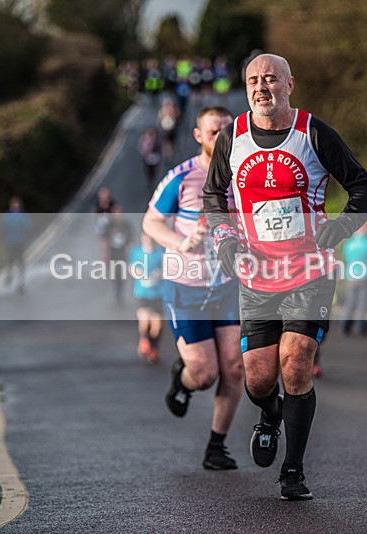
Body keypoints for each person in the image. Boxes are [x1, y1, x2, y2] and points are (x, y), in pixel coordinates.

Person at [202, 53, 367, 500]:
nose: (263, 87)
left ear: (289, 84)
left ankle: (293, 471)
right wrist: (224, 239)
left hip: (309, 272)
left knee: (296, 363)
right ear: (246, 88)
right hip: (256, 275)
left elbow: (363, 185)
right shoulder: (231, 137)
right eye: (254, 81)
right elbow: (213, 194)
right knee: (259, 379)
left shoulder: (314, 133)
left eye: (271, 79)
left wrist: (339, 227)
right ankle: (269, 416)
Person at [142, 106, 243, 471]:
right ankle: (182, 379)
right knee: (205, 373)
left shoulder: (244, 175)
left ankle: (216, 446)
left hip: (228, 285)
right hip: (187, 287)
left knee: (234, 367)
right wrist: (180, 243)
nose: (222, 137)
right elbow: (151, 222)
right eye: (214, 131)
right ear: (199, 136)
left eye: (227, 130)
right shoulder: (182, 177)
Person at [128, 233, 164, 362]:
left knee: (157, 325)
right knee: (144, 318)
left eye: (151, 239)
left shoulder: (161, 253)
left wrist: (160, 274)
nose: (148, 241)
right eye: (146, 239)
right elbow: (130, 266)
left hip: (158, 293)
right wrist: (136, 272)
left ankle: (154, 348)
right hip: (142, 293)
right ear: (142, 239)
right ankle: (144, 340)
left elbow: (169, 269)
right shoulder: (136, 252)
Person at [340, 223, 367, 336]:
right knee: (362, 303)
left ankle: (345, 327)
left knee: (349, 302)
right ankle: (361, 328)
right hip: (365, 277)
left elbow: (345, 259)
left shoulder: (348, 244)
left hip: (351, 277)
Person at [1, 196, 33, 293]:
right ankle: (20, 283)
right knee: (20, 262)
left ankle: (9, 276)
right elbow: (29, 227)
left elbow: (3, 228)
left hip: (10, 242)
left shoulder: (7, 216)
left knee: (10, 260)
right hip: (20, 241)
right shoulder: (23, 215)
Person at [104, 205, 133, 302]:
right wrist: (104, 253)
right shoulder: (109, 225)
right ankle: (115, 287)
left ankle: (120, 289)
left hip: (122, 252)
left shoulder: (126, 224)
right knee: (113, 272)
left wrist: (130, 252)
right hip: (112, 252)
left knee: (121, 273)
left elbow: (131, 238)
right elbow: (105, 239)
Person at [93, 186, 118, 262]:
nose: (104, 200)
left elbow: (118, 218)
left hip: (113, 228)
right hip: (102, 229)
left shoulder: (115, 207)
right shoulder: (97, 209)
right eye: (102, 198)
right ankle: (104, 259)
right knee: (103, 243)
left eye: (106, 197)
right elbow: (97, 220)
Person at [138, 127, 163, 193]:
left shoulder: (156, 140)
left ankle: (152, 177)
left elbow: (159, 147)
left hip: (154, 158)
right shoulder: (144, 140)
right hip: (147, 157)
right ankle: (149, 178)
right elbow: (142, 148)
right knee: (147, 169)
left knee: (153, 169)